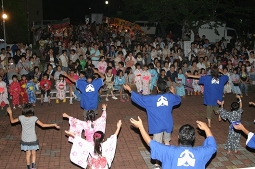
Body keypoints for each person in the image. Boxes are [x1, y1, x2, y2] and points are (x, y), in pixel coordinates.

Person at [123, 81, 181, 168]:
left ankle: (157, 164)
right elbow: (178, 100)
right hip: (168, 124)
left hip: (157, 125)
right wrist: (174, 93)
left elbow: (140, 99)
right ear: (166, 88)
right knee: (166, 141)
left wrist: (130, 91)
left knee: (157, 145)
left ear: (157, 89)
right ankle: (167, 159)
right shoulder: (170, 97)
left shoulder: (151, 99)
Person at [130, 117, 217, 169]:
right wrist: (207, 129)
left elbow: (150, 143)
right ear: (193, 138)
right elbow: (212, 146)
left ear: (178, 136)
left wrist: (141, 127)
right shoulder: (201, 152)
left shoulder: (169, 151)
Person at [6, 104, 60, 169]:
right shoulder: (34, 118)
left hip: (25, 139)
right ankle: (33, 166)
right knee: (33, 152)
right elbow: (43, 125)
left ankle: (28, 167)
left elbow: (12, 121)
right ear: (31, 111)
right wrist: (54, 125)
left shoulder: (21, 117)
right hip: (33, 139)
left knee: (27, 153)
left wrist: (10, 113)